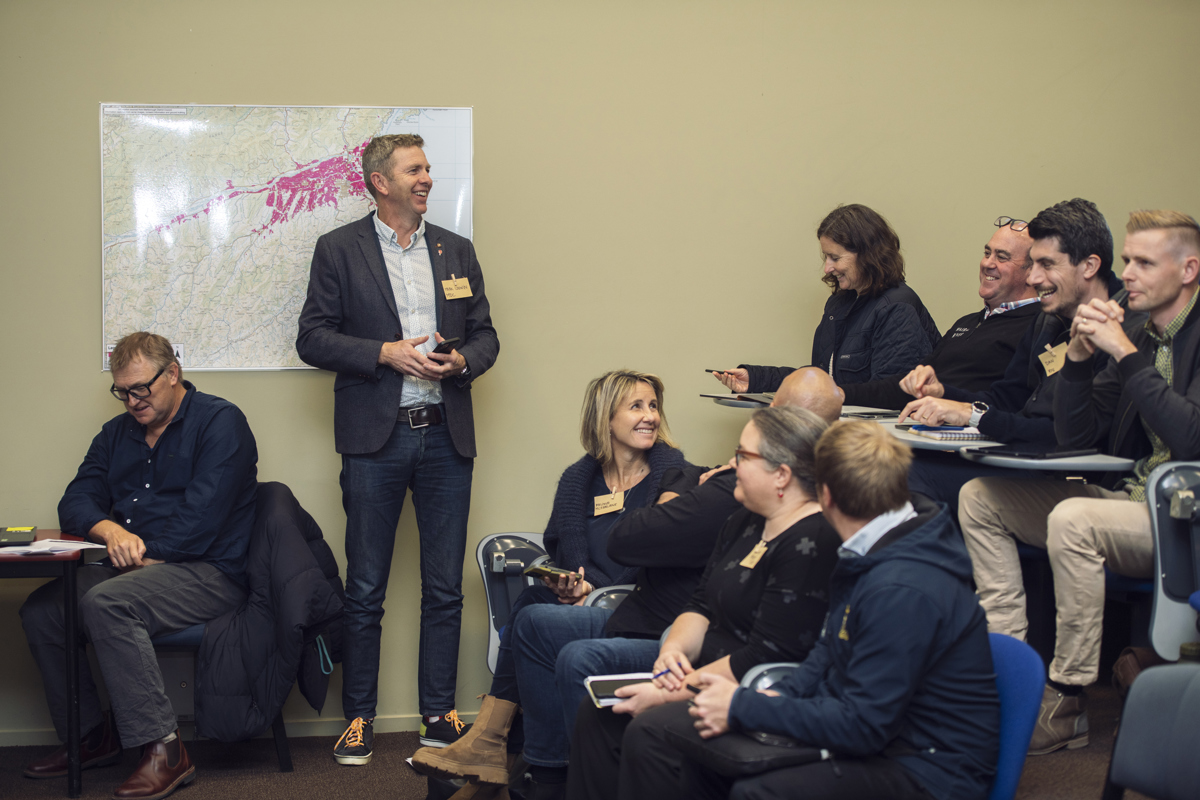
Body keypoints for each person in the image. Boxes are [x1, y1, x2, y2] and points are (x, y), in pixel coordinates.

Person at [643, 421, 1000, 800]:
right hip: (889, 740)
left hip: (928, 770)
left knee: (758, 792)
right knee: (705, 758)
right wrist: (770, 700)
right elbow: (823, 659)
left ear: (825, 496)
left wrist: (745, 708)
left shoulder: (901, 588)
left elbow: (865, 726)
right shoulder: (873, 550)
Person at [959, 210, 1200, 755]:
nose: (1128, 273)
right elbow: (1075, 438)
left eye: (1143, 262)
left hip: (1185, 515)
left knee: (1073, 519)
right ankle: (1008, 671)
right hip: (1132, 500)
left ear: (1188, 271)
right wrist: (1077, 359)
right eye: (1129, 259)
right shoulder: (1141, 331)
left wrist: (1123, 353)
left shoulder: (1162, 338)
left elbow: (1189, 438)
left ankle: (1066, 697)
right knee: (981, 499)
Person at [296, 133, 499, 763]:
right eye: (415, 169)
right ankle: (358, 717)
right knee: (366, 589)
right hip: (373, 443)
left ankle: (438, 714)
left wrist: (461, 360)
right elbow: (312, 338)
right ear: (380, 182)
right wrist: (383, 353)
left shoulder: (455, 250)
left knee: (444, 589)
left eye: (430, 168)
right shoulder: (338, 250)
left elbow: (488, 335)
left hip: (445, 438)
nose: (428, 178)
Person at [412, 370, 688, 792]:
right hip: (584, 601)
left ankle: (495, 742)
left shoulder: (674, 478)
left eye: (653, 406)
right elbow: (565, 550)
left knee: (531, 616)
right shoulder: (578, 481)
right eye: (636, 406)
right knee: (537, 598)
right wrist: (574, 583)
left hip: (639, 604)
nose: (650, 415)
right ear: (606, 418)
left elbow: (661, 556)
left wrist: (597, 591)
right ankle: (505, 751)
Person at [20, 332, 258, 800]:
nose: (131, 401)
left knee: (107, 603)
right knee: (44, 609)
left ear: (173, 374)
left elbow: (202, 521)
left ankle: (166, 751)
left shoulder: (221, 423)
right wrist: (111, 532)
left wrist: (142, 560)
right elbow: (75, 500)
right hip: (132, 568)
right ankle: (91, 737)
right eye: (121, 391)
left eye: (140, 390)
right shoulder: (116, 434)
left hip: (209, 572)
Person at [565, 406, 843, 800]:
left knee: (648, 728)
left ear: (781, 474)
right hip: (699, 676)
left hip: (756, 693)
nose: (731, 464)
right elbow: (701, 605)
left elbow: (767, 655)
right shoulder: (744, 521)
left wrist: (671, 692)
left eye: (743, 456)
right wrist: (674, 651)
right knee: (599, 715)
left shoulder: (813, 542)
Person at [898, 199, 1132, 515]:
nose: (1033, 279)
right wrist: (945, 395)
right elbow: (1007, 398)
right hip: (1024, 460)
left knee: (904, 474)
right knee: (893, 461)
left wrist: (974, 415)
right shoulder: (1047, 322)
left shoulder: (1124, 330)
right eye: (1033, 264)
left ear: (1089, 266)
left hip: (1071, 476)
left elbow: (1069, 437)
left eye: (1046, 265)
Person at [713, 204, 939, 391]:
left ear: (867, 256)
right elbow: (823, 379)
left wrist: (824, 398)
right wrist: (757, 379)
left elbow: (889, 393)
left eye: (834, 257)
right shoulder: (840, 304)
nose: (827, 268)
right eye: (826, 257)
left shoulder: (898, 307)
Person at [840, 216, 1040, 410]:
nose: (987, 263)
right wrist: (840, 394)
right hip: (925, 429)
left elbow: (1016, 404)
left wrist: (945, 396)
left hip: (975, 436)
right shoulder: (968, 323)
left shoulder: (1040, 326)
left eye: (1002, 257)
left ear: (1032, 271)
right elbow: (908, 388)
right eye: (987, 253)